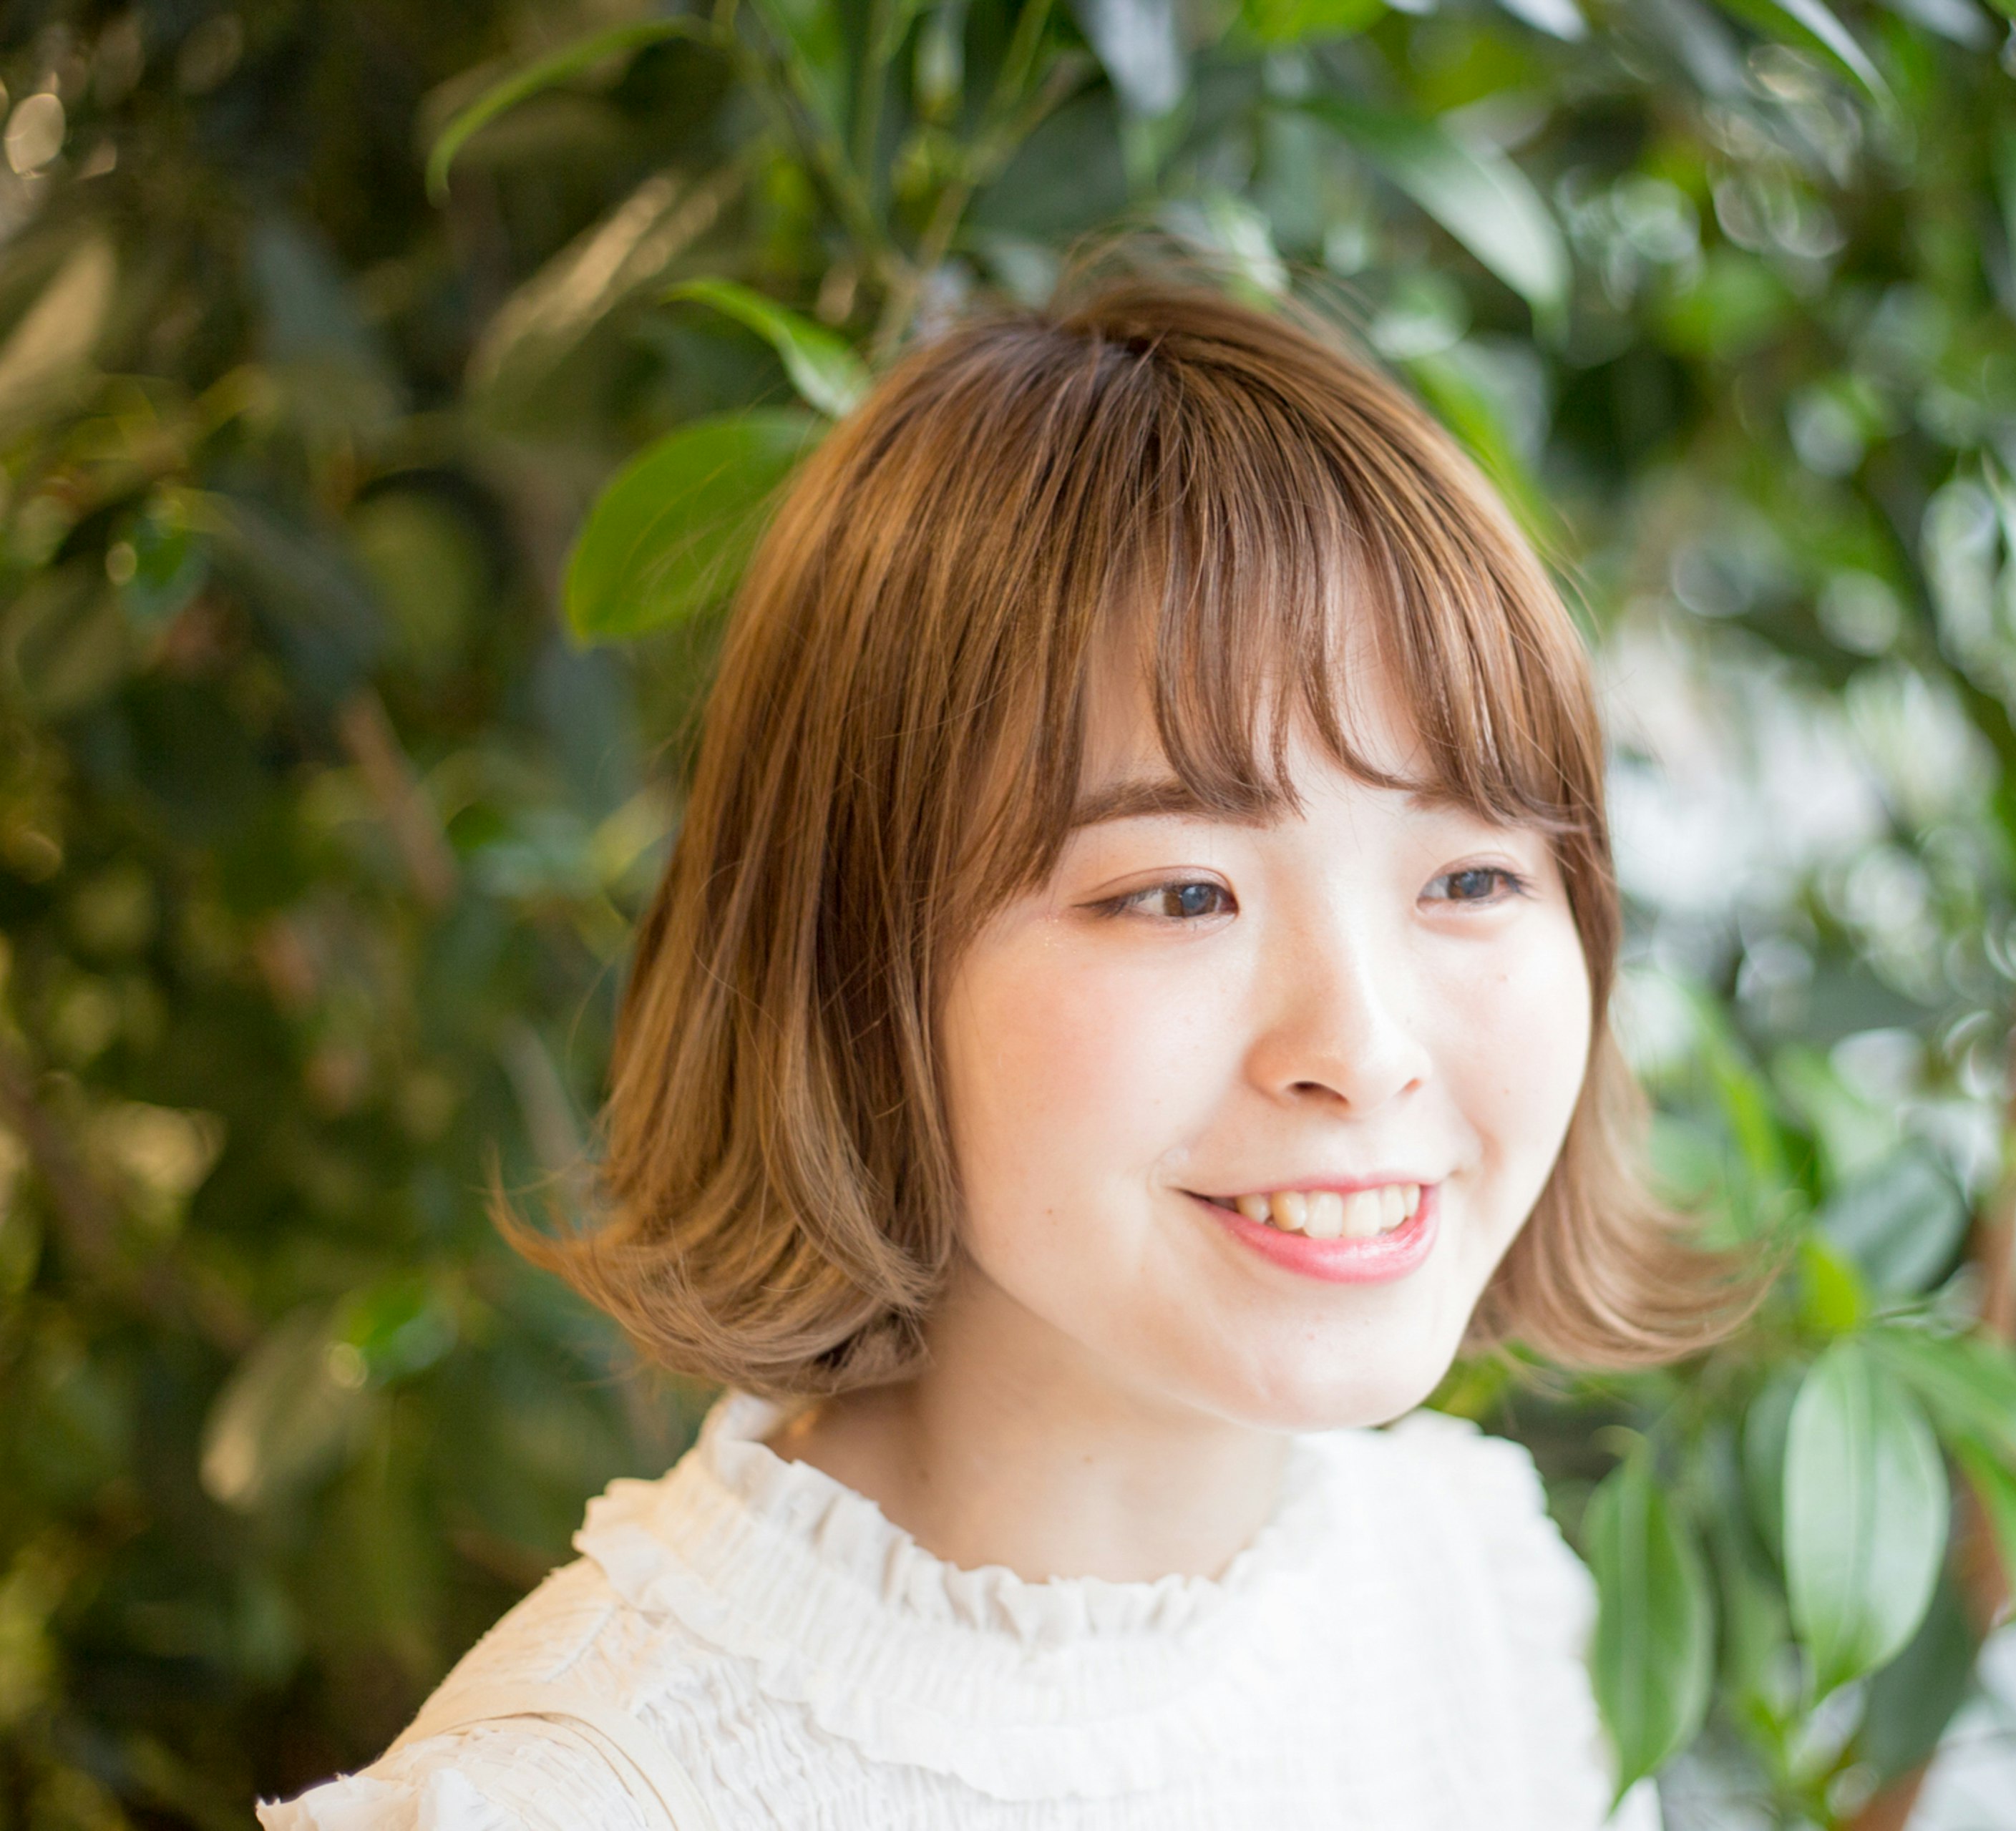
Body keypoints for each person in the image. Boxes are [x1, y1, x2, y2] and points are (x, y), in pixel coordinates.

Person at [256, 262, 1743, 1831]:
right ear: (856, 967)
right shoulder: (581, 1794)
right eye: (1181, 890)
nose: (1363, 1049)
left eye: (1470, 877)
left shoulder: (1473, 1586)